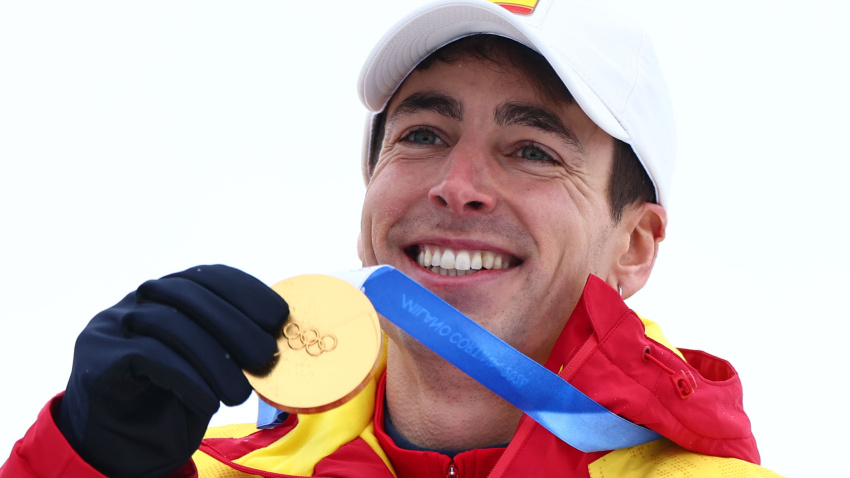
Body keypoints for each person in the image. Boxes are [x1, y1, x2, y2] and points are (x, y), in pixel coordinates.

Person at [1, 0, 783, 476]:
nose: (458, 183)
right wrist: (80, 463)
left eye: (533, 150)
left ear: (635, 245)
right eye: (423, 134)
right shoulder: (192, 471)